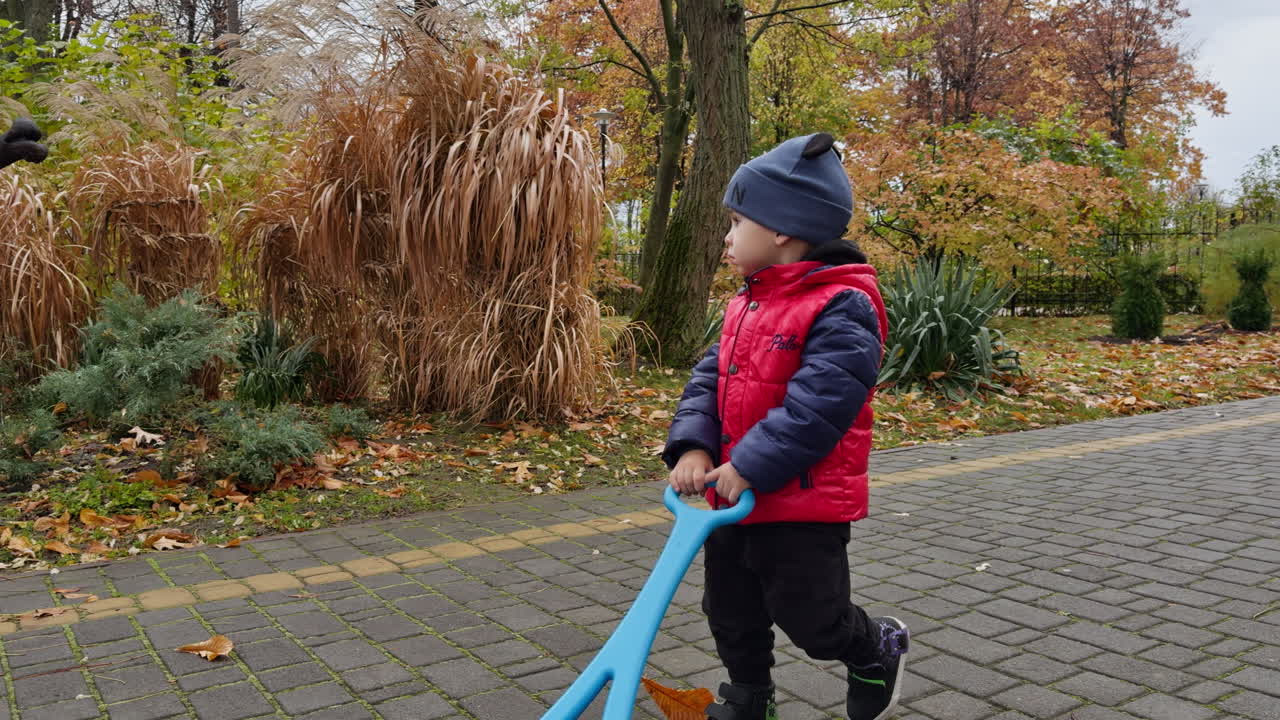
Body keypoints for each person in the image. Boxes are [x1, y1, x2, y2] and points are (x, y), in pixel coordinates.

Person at [663, 132, 907, 720]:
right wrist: (693, 446)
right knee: (730, 611)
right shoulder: (746, 303)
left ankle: (875, 647)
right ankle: (750, 697)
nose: (727, 237)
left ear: (780, 228)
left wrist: (751, 464)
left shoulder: (842, 304)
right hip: (732, 496)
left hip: (801, 504)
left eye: (736, 221)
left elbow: (820, 405)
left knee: (814, 620)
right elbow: (709, 381)